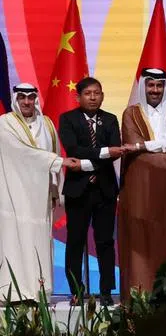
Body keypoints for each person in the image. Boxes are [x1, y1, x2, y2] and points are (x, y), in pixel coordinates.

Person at [118, 68, 166, 297]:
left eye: (159, 85)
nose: (155, 90)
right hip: (141, 189)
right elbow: (137, 152)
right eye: (150, 85)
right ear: (143, 87)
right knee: (142, 241)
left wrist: (148, 146)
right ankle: (142, 294)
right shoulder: (131, 114)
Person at [0, 84, 80, 302]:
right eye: (23, 97)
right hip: (13, 196)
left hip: (40, 198)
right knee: (14, 242)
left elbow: (52, 151)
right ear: (16, 99)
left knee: (39, 242)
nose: (27, 102)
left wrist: (57, 190)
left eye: (31, 97)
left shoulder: (46, 124)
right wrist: (58, 161)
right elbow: (22, 153)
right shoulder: (5, 124)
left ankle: (38, 292)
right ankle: (14, 293)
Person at [59, 77, 129, 305]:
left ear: (102, 95)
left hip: (105, 190)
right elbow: (72, 148)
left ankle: (107, 290)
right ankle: (76, 291)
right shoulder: (67, 119)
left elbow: (116, 151)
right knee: (75, 242)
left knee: (105, 241)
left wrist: (85, 162)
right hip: (78, 190)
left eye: (97, 93)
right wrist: (102, 154)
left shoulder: (110, 119)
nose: (92, 97)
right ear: (78, 96)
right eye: (88, 93)